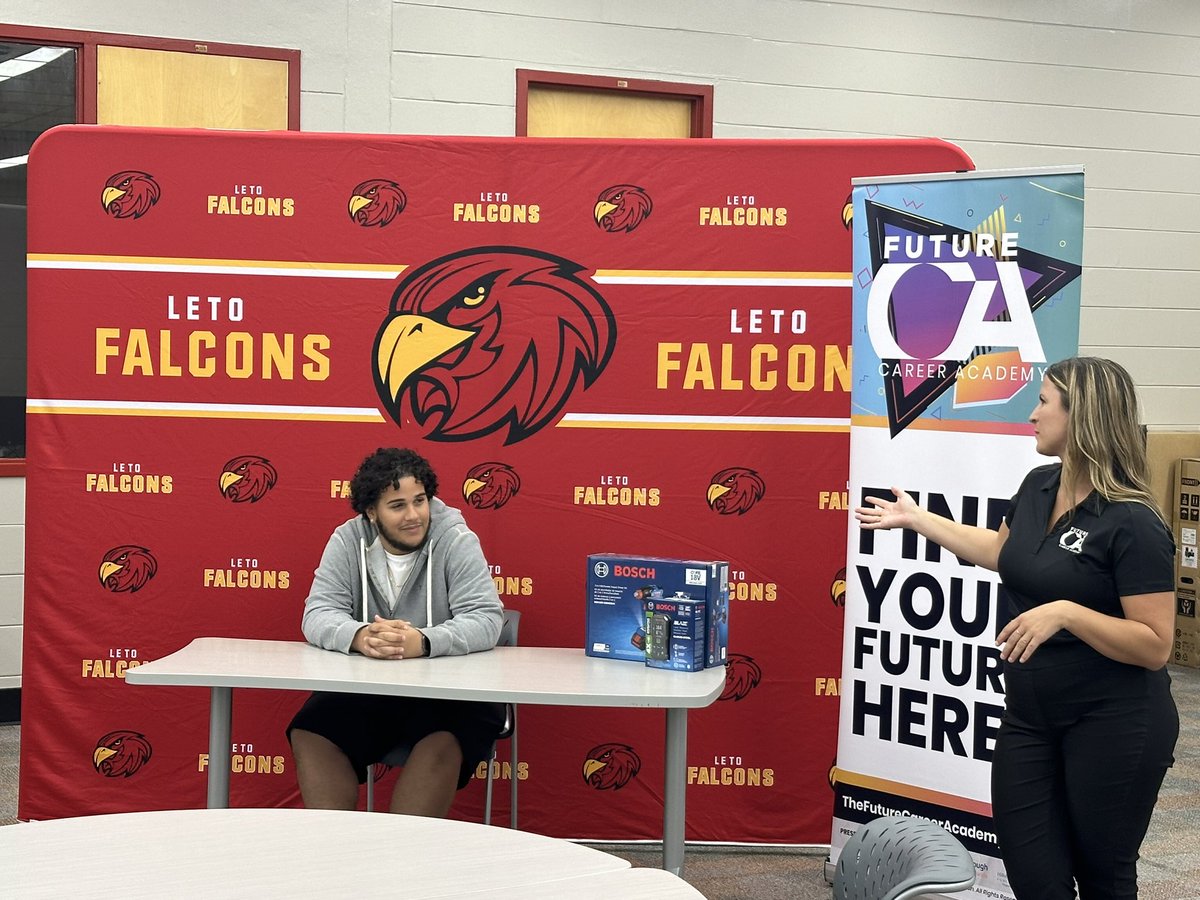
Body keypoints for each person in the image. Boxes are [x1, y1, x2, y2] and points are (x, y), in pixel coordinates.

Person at [855, 357, 1177, 900]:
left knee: (1104, 876)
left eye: (1044, 402)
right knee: (1035, 876)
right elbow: (1003, 553)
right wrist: (917, 520)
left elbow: (1155, 644)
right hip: (1030, 716)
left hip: (1116, 722)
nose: (1031, 415)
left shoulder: (1133, 521)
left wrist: (1067, 612)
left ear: (1083, 416)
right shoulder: (1038, 485)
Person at [287, 447, 504, 816]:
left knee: (444, 741)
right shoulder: (346, 540)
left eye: (420, 501)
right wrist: (360, 636)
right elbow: (317, 613)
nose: (414, 515)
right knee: (311, 731)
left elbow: (486, 618)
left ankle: (403, 865)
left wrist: (423, 641)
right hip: (369, 691)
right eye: (398, 505)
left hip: (451, 697)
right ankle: (334, 853)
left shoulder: (455, 538)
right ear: (371, 512)